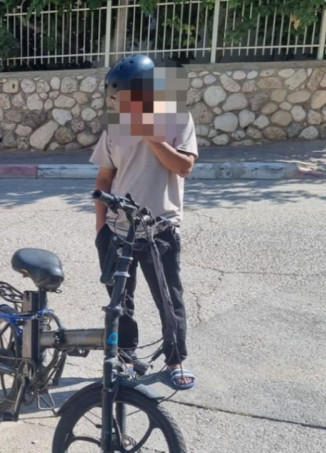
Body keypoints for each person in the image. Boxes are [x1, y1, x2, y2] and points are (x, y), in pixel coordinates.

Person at [90, 54, 198, 390]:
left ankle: (175, 360)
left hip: (159, 230)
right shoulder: (115, 128)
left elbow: (184, 167)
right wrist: (100, 228)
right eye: (114, 99)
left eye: (121, 98)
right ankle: (125, 359)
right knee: (119, 302)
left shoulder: (178, 119)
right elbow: (104, 178)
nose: (116, 105)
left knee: (169, 299)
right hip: (117, 230)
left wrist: (151, 135)